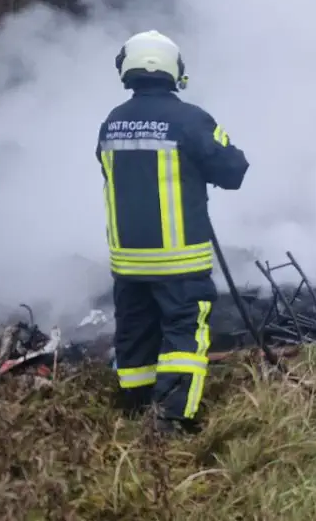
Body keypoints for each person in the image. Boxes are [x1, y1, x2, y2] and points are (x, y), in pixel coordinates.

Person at [98, 30, 249, 434]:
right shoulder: (190, 119)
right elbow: (233, 171)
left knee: (136, 331)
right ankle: (172, 420)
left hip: (127, 261)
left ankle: (132, 405)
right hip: (179, 262)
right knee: (185, 336)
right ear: (174, 70)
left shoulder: (112, 123)